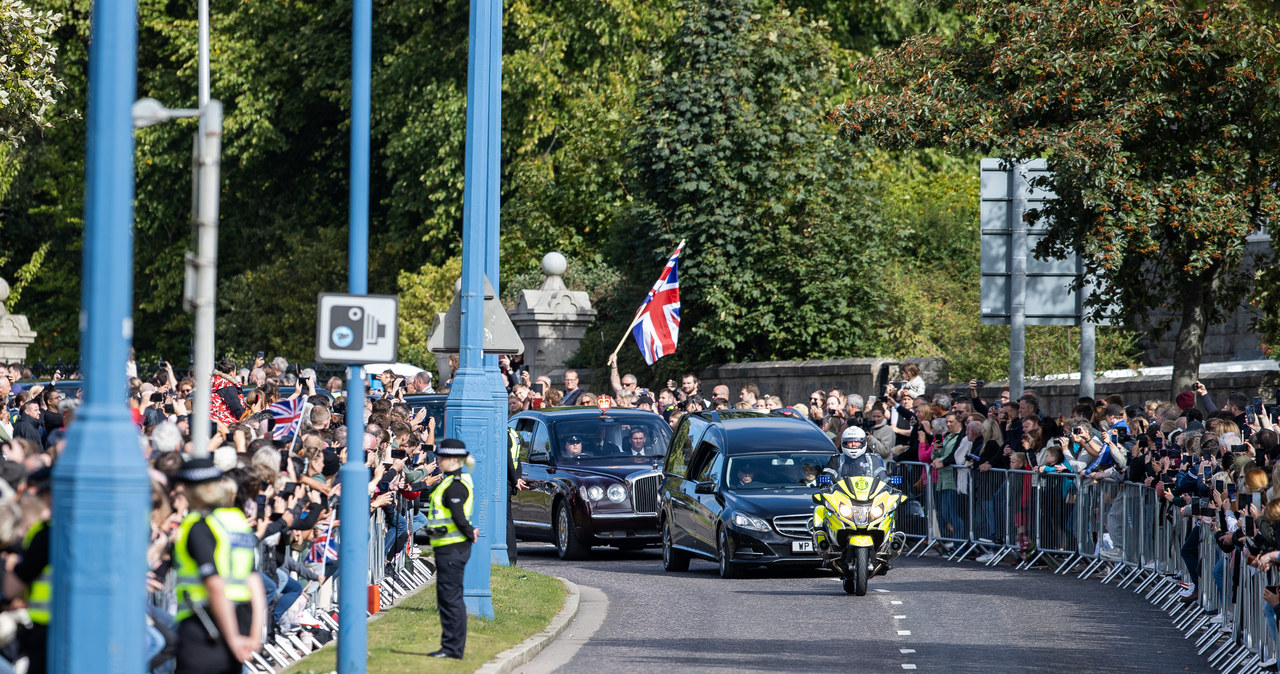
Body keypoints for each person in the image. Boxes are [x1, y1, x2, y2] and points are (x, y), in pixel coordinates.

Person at [172, 457, 266, 674]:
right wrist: (254, 635)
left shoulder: (198, 526)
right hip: (242, 619)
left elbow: (215, 585)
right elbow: (253, 579)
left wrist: (231, 638)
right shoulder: (235, 521)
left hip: (205, 626)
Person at [427, 439, 480, 659]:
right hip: (450, 548)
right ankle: (450, 647)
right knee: (449, 598)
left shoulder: (455, 485)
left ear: (454, 460)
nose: (437, 460)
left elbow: (458, 516)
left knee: (450, 600)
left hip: (452, 549)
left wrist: (469, 533)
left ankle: (452, 648)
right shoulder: (453, 482)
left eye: (441, 457)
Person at [824, 426, 889, 482]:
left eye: (857, 441)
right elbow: (827, 479)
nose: (853, 444)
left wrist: (888, 483)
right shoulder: (836, 460)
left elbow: (884, 480)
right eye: (850, 441)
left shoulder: (873, 459)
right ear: (844, 443)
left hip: (869, 495)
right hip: (842, 495)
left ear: (863, 442)